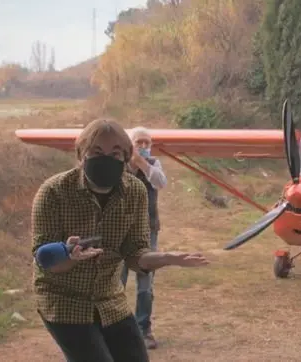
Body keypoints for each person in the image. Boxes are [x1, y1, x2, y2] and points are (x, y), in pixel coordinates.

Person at [31, 118, 209, 362]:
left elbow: (136, 255)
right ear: (81, 154)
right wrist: (68, 257)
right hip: (63, 301)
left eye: (116, 153)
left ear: (126, 158)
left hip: (109, 299)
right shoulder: (53, 192)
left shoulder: (135, 191)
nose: (106, 159)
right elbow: (45, 260)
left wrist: (167, 258)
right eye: (97, 151)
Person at [120, 126, 167, 349]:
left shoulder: (154, 164)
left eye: (147, 143)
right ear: (130, 145)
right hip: (119, 232)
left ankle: (144, 329)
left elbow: (160, 182)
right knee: (115, 282)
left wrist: (142, 163)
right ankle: (114, 330)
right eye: (139, 142)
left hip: (148, 231)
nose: (144, 146)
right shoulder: (118, 166)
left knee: (145, 285)